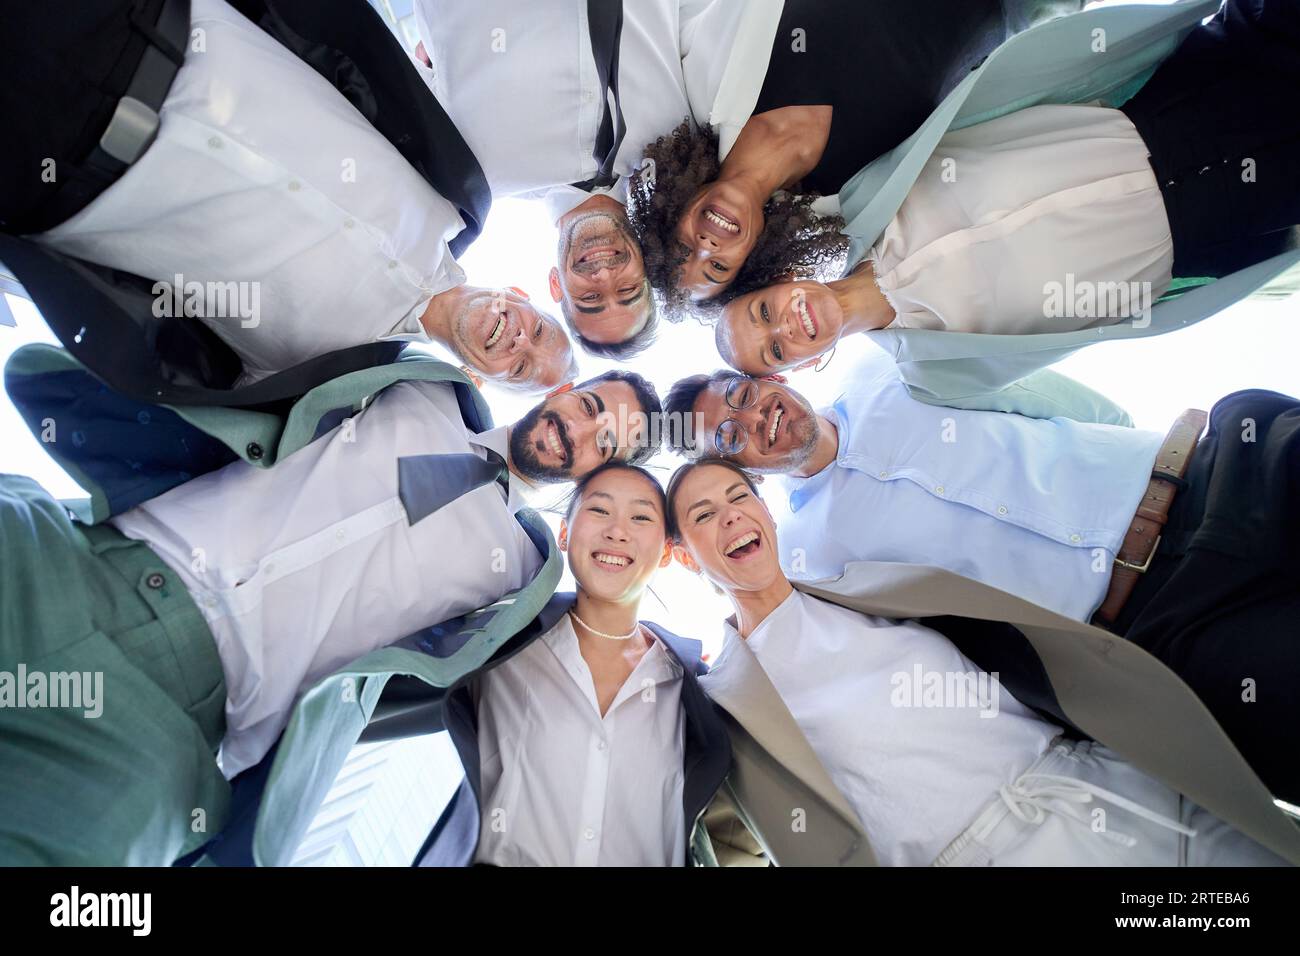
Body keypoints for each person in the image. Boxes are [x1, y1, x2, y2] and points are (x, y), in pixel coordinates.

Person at [0, 341, 661, 865]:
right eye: (593, 410)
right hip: (75, 557)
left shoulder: (522, 573)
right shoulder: (420, 385)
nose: (580, 434)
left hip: (168, 725)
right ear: (568, 391)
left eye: (606, 448)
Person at [663, 358, 1300, 804]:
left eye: (743, 397)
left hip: (1218, 474)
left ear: (769, 379)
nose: (755, 420)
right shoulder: (808, 558)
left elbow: (1062, 401)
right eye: (729, 435)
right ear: (737, 468)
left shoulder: (885, 371)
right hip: (1158, 627)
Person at [667, 458, 1293, 866]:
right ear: (688, 556)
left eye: (739, 495)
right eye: (704, 516)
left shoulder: (866, 582)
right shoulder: (724, 700)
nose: (731, 517)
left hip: (1111, 785)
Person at [0, 0, 575, 394]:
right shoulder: (452, 196)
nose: (520, 339)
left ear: (480, 380)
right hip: (138, 21)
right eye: (541, 331)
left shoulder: (324, 377)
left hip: (52, 167)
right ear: (522, 293)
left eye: (520, 368)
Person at [711, 0, 1300, 380]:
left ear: (781, 281)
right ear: (801, 367)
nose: (785, 328)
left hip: (1168, 103)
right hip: (1216, 219)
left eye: (763, 312)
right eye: (775, 351)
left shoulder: (868, 189)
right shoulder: (941, 372)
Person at [627, 0, 1085, 316]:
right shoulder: (853, 194)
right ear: (753, 255)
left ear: (674, 210)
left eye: (684, 248)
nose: (707, 245)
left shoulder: (708, 87)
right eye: (718, 267)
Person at [409, 0, 771, 358]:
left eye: (589, 298)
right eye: (628, 289)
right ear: (648, 261)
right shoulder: (682, 140)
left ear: (556, 284)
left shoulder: (470, 174)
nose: (604, 278)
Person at [415, 462, 731, 866]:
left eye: (641, 517)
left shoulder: (693, 686)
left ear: (667, 552)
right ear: (564, 534)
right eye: (599, 510)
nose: (617, 531)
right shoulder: (504, 636)